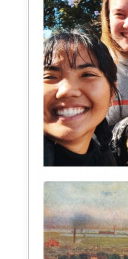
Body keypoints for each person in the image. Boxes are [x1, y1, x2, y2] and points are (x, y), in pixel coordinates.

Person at [44, 28, 119, 166]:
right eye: (49, 77)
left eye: (87, 75)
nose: (67, 90)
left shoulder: (106, 161)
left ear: (112, 94)